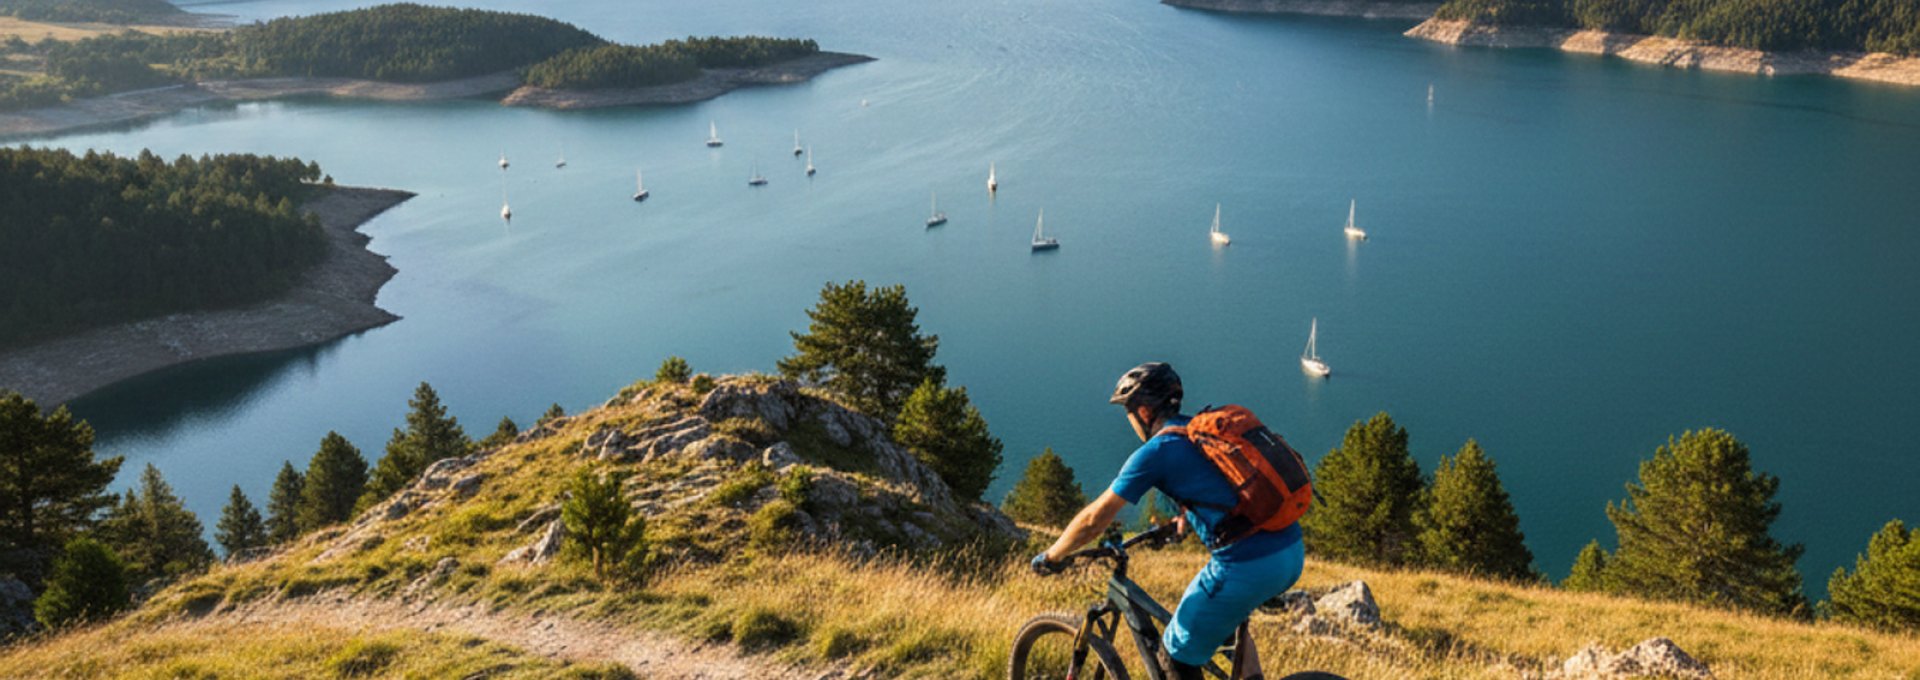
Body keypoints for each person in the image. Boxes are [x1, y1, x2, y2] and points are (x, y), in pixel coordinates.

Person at [1030, 362, 1306, 680]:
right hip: (1290, 550)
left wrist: (1052, 556)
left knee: (1174, 655)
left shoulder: (1156, 451)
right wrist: (1183, 520)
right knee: (1224, 624)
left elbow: (1095, 518)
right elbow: (1220, 486)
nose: (1130, 421)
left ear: (1144, 412)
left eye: (1129, 412)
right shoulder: (1200, 431)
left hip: (1247, 566)